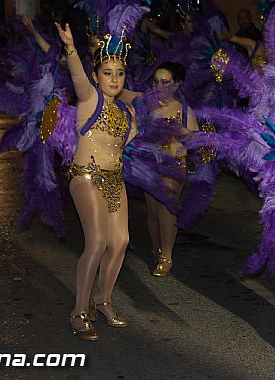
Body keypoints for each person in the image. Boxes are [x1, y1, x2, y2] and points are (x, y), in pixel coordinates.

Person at [55, 22, 139, 341]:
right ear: (96, 75)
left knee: (120, 242)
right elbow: (77, 76)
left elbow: (122, 145)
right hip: (86, 177)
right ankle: (79, 310)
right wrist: (71, 47)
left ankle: (103, 300)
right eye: (107, 72)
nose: (114, 78)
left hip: (114, 180)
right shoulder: (91, 99)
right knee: (97, 242)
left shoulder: (126, 112)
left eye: (119, 73)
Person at [145, 61, 198, 276]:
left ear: (176, 85)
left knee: (166, 207)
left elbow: (195, 139)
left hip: (175, 165)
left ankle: (167, 256)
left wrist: (182, 131)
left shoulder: (185, 110)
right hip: (148, 165)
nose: (159, 86)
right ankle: (158, 249)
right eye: (156, 81)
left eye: (165, 82)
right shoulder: (146, 106)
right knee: (154, 211)